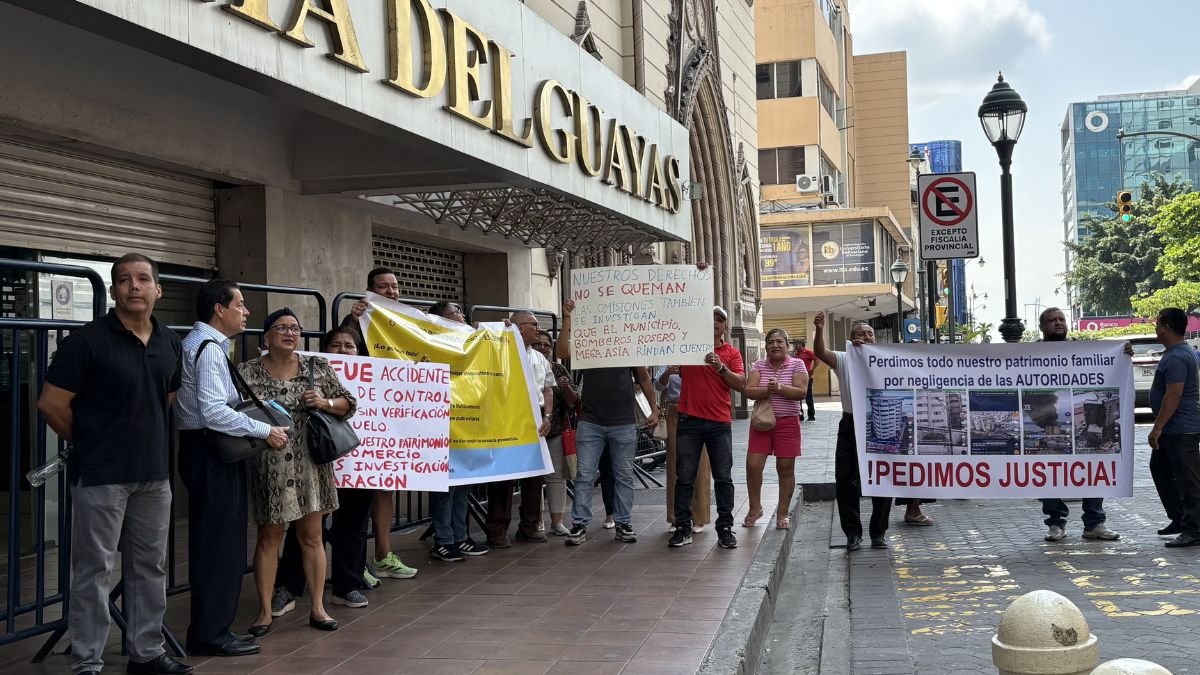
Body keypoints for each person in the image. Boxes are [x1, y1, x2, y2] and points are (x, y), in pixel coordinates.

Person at [37, 253, 191, 675]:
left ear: (158, 289)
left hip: (154, 474)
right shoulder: (86, 341)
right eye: (124, 280)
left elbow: (168, 396)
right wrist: (87, 439)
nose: (134, 287)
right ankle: (87, 660)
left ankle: (146, 653)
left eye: (143, 279)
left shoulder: (169, 342)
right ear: (114, 290)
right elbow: (51, 404)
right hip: (101, 474)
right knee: (94, 570)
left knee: (149, 566)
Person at [177, 280, 287, 657]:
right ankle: (210, 633)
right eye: (240, 304)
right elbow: (212, 411)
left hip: (207, 450)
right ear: (218, 309)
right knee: (219, 545)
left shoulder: (205, 344)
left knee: (220, 543)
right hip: (209, 450)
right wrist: (265, 429)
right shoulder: (207, 349)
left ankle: (215, 628)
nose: (246, 311)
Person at [238, 309, 354, 635]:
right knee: (269, 539)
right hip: (268, 466)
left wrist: (325, 403)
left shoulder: (316, 367)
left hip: (310, 466)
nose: (290, 333)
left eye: (295, 328)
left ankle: (317, 608)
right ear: (266, 337)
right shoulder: (247, 371)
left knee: (312, 537)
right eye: (282, 328)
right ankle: (264, 611)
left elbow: (349, 403)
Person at [272, 327, 376, 615]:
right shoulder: (313, 369)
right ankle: (289, 587)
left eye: (350, 346)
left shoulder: (373, 372)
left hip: (361, 465)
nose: (343, 350)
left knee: (354, 524)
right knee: (305, 526)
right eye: (336, 344)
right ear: (324, 348)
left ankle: (347, 586)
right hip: (314, 463)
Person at [556, 298, 660, 546]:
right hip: (591, 421)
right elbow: (561, 352)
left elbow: (644, 379)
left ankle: (623, 523)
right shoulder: (588, 343)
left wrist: (655, 409)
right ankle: (579, 524)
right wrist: (568, 319)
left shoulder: (628, 346)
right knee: (584, 474)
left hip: (622, 422)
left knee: (623, 475)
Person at [346, 267, 418, 580]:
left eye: (394, 286)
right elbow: (343, 353)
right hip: (363, 417)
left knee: (386, 488)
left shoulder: (409, 320)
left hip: (394, 416)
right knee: (357, 493)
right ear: (370, 291)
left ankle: (383, 555)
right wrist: (353, 320)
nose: (391, 291)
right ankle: (355, 562)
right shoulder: (359, 321)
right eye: (383, 287)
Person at [1037, 307, 1120, 542]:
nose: (1058, 323)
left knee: (1091, 470)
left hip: (1080, 422)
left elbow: (1110, 364)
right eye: (1052, 320)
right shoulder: (1030, 352)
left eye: (1061, 319)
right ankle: (1055, 523)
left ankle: (1094, 523)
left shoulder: (1084, 351)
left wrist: (1123, 353)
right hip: (1049, 423)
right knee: (1048, 473)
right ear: (1042, 326)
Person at [812, 310, 892, 551]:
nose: (865, 337)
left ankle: (878, 533)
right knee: (846, 479)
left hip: (881, 423)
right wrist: (819, 330)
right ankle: (852, 534)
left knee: (882, 477)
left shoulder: (888, 359)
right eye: (860, 334)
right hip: (850, 423)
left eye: (870, 334)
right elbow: (819, 353)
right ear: (852, 339)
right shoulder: (845, 358)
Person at [670, 306, 746, 549]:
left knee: (723, 477)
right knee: (685, 476)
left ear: (725, 327)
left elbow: (741, 384)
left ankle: (725, 527)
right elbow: (664, 378)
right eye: (710, 319)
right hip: (688, 420)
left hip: (719, 423)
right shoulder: (687, 348)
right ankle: (683, 526)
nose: (714, 323)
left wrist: (721, 367)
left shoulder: (732, 353)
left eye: (719, 320)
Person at [484, 311, 554, 547]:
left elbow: (548, 389)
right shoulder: (499, 351)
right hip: (506, 421)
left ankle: (530, 526)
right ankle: (497, 529)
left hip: (534, 423)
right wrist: (498, 329)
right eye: (532, 324)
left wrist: (548, 416)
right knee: (503, 478)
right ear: (519, 327)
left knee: (535, 478)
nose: (537, 328)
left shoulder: (540, 358)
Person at [426, 301, 489, 560]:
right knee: (445, 487)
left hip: (466, 423)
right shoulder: (431, 343)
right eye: (456, 313)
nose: (462, 316)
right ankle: (444, 539)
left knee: (462, 484)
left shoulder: (470, 342)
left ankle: (461, 536)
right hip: (441, 424)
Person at [744, 328, 808, 530]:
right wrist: (767, 390)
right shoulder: (759, 365)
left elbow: (801, 393)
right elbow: (748, 390)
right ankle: (755, 508)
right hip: (761, 423)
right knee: (753, 465)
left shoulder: (797, 364)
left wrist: (779, 387)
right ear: (766, 346)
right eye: (771, 342)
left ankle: (782, 513)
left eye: (780, 341)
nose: (775, 345)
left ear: (787, 346)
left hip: (787, 423)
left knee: (785, 468)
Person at [1148, 307, 1200, 548]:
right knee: (1160, 469)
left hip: (1180, 429)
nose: (1156, 328)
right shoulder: (1175, 353)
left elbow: (1174, 394)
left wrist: (1157, 427)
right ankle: (1180, 518)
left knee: (1188, 479)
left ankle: (1194, 528)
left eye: (1158, 324)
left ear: (1167, 327)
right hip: (1173, 429)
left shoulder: (1178, 356)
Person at [654, 365, 712, 533]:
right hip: (675, 409)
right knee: (674, 464)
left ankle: (699, 517)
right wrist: (668, 372)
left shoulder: (701, 356)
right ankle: (676, 517)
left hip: (700, 409)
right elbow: (658, 385)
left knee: (700, 464)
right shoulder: (668, 357)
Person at [535, 329, 578, 536]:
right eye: (538, 344)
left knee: (556, 477)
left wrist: (566, 388)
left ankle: (557, 521)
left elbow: (573, 402)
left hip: (556, 430)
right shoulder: (524, 366)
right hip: (530, 430)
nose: (542, 348)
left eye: (546, 345)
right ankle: (536, 521)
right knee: (533, 479)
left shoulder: (559, 370)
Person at [793, 339, 817, 422]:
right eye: (795, 344)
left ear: (801, 345)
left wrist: (812, 369)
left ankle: (811, 416)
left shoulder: (808, 352)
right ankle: (800, 416)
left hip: (808, 378)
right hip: (798, 378)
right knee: (798, 397)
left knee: (808, 397)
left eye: (797, 344)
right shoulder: (796, 353)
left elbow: (817, 360)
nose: (795, 346)